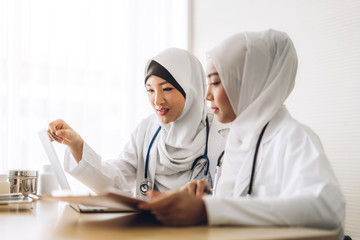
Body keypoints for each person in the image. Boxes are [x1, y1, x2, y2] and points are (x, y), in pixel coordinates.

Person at [138, 29, 345, 236]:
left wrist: (208, 210)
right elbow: (242, 206)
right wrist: (207, 198)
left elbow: (328, 207)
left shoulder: (293, 138)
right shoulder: (241, 139)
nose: (207, 95)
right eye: (208, 84)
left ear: (251, 84)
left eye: (216, 83)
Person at [48, 48, 228, 199]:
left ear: (192, 89)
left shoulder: (224, 134)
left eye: (166, 89)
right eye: (150, 90)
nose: (157, 101)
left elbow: (234, 198)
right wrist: (77, 145)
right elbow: (115, 182)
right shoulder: (146, 130)